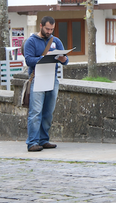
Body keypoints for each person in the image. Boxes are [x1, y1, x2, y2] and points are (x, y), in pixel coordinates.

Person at [23, 16, 69, 152]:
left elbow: (65, 61)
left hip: (52, 78)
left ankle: (44, 140)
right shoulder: (31, 41)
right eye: (47, 29)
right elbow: (29, 60)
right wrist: (44, 57)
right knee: (35, 112)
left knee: (48, 112)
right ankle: (32, 142)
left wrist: (63, 58)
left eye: (52, 29)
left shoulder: (56, 41)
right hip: (37, 78)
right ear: (41, 26)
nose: (49, 32)